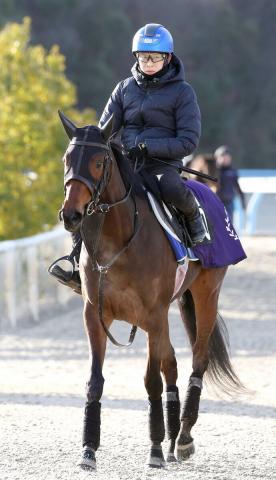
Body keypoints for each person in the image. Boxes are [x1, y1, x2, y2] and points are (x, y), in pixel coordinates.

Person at [50, 23, 207, 291]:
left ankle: (197, 232)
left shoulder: (183, 93)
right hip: (126, 163)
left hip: (162, 165)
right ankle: (75, 261)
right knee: (89, 194)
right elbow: (104, 131)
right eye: (143, 57)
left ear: (167, 58)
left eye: (154, 57)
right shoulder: (124, 88)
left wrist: (149, 146)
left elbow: (188, 141)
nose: (148, 62)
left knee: (171, 188)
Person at [214, 145, 246, 221]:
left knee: (228, 225)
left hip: (229, 203)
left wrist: (243, 202)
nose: (225, 159)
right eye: (222, 157)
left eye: (227, 157)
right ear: (217, 158)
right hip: (215, 202)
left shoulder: (233, 171)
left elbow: (237, 186)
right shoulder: (213, 171)